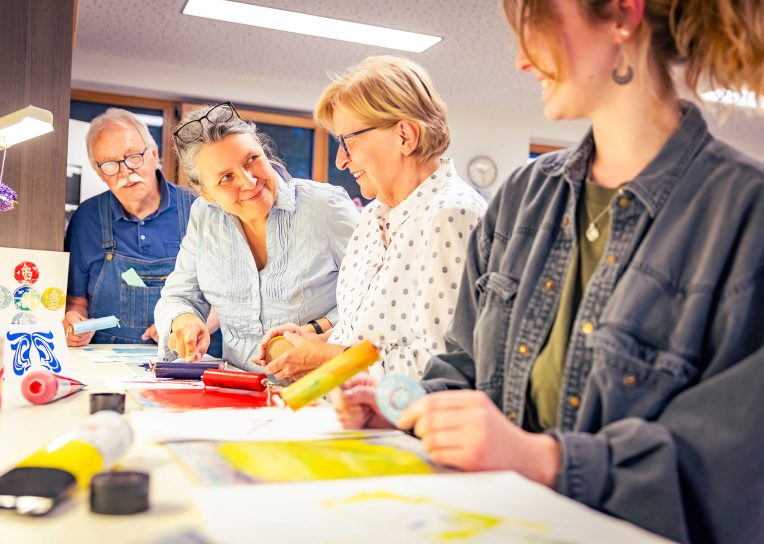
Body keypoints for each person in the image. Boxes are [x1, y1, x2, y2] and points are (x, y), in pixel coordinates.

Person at [334, 1, 764, 542]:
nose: (519, 60)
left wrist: (544, 459)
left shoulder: (745, 214)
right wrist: (408, 409)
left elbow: (731, 469)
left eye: (533, 27)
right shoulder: (521, 198)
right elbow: (463, 367)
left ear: (622, 16)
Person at [257, 56, 486, 382]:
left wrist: (329, 360)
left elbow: (446, 367)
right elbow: (370, 333)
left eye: (347, 142)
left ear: (405, 136)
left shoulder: (451, 215)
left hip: (404, 429)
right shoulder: (372, 217)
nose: (340, 160)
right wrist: (318, 341)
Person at [154, 102, 359, 369]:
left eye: (252, 159)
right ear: (205, 192)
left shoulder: (326, 206)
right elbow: (178, 295)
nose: (249, 182)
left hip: (321, 389)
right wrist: (184, 319)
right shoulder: (204, 215)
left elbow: (377, 299)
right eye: (226, 177)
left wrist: (318, 328)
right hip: (237, 390)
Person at [63, 108, 200, 346]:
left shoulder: (197, 211)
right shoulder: (86, 220)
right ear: (99, 173)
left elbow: (226, 301)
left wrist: (191, 327)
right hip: (107, 363)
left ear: (153, 153)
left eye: (133, 156)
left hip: (186, 359)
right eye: (109, 164)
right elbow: (77, 302)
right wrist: (75, 324)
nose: (126, 171)